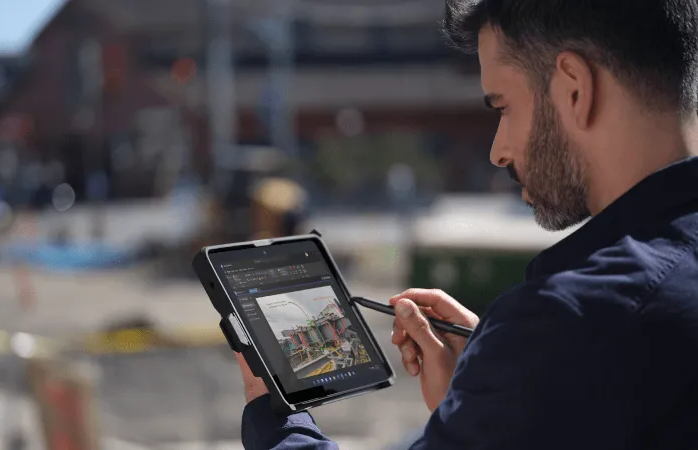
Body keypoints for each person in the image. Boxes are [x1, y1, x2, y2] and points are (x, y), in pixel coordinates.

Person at [233, 0, 698, 448]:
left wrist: (276, 419)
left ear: (575, 87)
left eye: (503, 107)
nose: (498, 151)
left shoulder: (575, 321)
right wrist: (494, 396)